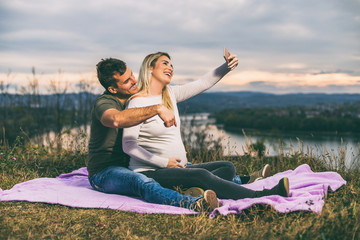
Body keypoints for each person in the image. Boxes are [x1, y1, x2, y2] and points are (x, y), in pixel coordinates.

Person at [123, 51, 290, 200]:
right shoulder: (137, 102)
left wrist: (226, 67)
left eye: (172, 65)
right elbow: (129, 146)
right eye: (165, 63)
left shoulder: (170, 94)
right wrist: (164, 162)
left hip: (177, 168)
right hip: (151, 172)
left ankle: (192, 191)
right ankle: (259, 196)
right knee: (201, 175)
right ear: (150, 68)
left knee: (227, 167)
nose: (171, 67)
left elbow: (203, 82)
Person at [87, 57, 219, 211]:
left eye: (131, 75)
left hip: (133, 165)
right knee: (140, 182)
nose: (134, 81)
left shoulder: (136, 96)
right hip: (105, 172)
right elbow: (115, 119)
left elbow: (201, 83)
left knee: (192, 169)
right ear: (113, 89)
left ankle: (238, 181)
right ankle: (193, 203)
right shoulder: (105, 102)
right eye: (126, 81)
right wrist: (157, 108)